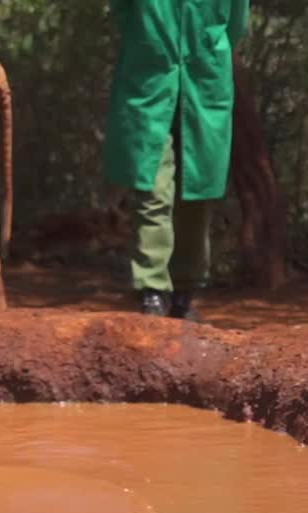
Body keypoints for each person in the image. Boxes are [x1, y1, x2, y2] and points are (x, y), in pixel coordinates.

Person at [102, 0, 250, 319]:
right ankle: (152, 289)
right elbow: (123, 11)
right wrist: (148, 42)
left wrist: (208, 49)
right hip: (149, 81)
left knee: (196, 194)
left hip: (204, 84)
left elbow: (237, 21)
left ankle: (185, 291)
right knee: (153, 187)